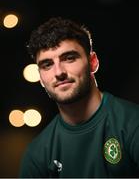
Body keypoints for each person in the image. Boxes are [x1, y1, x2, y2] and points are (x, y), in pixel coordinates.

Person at [19, 17, 139, 178]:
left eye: (69, 58)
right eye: (47, 64)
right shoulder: (37, 154)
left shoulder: (133, 124)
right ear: (40, 77)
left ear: (93, 62)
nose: (59, 72)